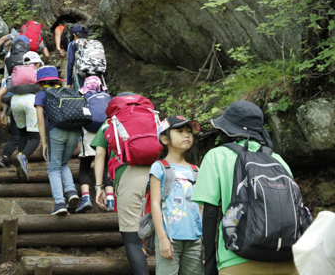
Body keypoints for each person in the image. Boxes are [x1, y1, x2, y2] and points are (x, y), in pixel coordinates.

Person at [192, 100, 299, 275]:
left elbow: (210, 214)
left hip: (238, 260)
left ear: (228, 130)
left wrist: (209, 264)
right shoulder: (278, 160)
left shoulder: (217, 156)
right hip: (287, 259)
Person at [93, 92, 149, 275]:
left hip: (128, 176)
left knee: (131, 236)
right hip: (159, 173)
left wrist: (99, 187)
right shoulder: (150, 118)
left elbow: (100, 155)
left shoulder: (109, 123)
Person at [150, 116, 203, 275]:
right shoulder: (159, 167)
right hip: (170, 237)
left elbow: (201, 206)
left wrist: (204, 239)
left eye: (189, 132)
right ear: (165, 139)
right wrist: (162, 238)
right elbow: (155, 204)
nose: (186, 135)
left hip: (194, 239)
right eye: (179, 131)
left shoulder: (195, 170)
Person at [34, 66, 80, 215]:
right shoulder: (68, 92)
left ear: (41, 83)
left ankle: (60, 202)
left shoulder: (42, 95)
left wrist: (44, 143)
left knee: (53, 168)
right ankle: (71, 191)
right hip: (74, 132)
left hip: (57, 132)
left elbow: (40, 121)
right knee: (63, 163)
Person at [0, 52, 43, 180]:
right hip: (31, 102)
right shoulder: (38, 74)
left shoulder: (14, 75)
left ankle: (21, 164)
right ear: (36, 64)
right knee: (36, 137)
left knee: (23, 134)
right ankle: (23, 157)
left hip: (15, 102)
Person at [75, 76, 114, 214]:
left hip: (89, 136)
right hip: (106, 134)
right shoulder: (107, 97)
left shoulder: (83, 98)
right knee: (106, 167)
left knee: (84, 168)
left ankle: (86, 198)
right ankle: (110, 200)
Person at [65, 25, 89, 90]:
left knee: (80, 95)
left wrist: (69, 81)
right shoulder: (91, 43)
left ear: (74, 35)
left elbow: (70, 62)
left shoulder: (72, 44)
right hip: (95, 72)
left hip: (80, 74)